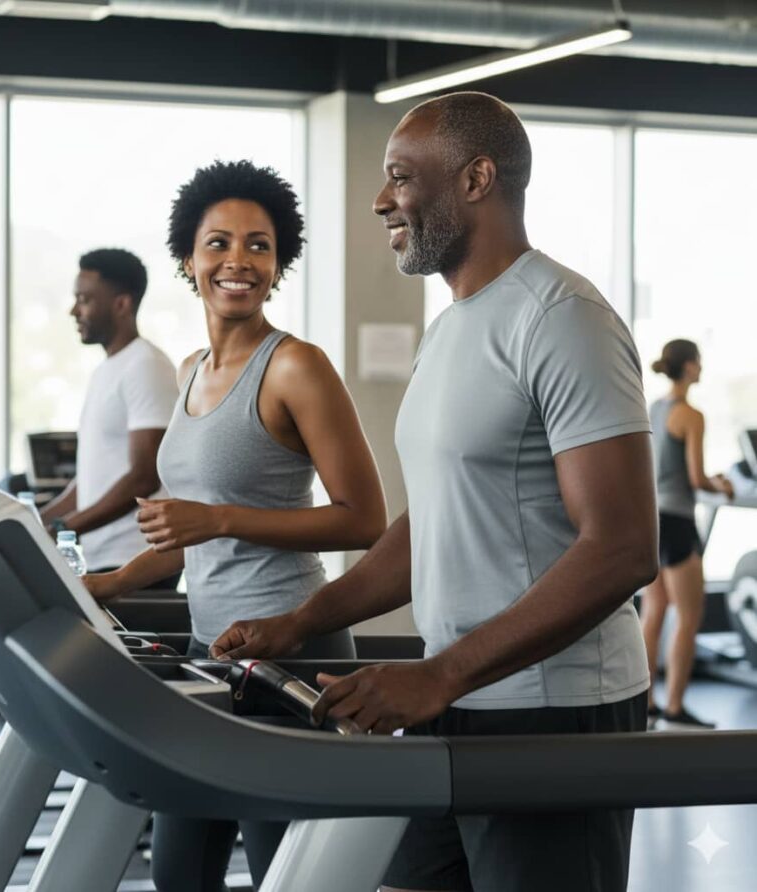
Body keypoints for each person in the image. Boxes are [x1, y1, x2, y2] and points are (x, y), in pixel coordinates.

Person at [211, 93, 658, 892]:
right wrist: (303, 622)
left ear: (477, 178)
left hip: (549, 713)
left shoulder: (563, 318)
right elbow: (438, 521)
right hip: (453, 700)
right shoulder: (454, 325)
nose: (382, 199)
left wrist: (442, 673)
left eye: (401, 178)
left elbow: (623, 547)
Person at [82, 159, 387, 892]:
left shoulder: (296, 368)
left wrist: (217, 516)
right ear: (189, 260)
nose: (238, 261)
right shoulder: (189, 370)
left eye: (259, 246)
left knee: (282, 874)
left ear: (279, 265)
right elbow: (184, 535)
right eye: (219, 243)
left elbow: (366, 517)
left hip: (294, 648)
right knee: (179, 874)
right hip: (208, 653)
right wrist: (112, 581)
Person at [41, 248, 181, 580]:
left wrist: (65, 528)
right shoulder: (108, 370)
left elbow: (145, 476)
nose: (74, 310)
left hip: (135, 562)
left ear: (121, 304)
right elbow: (92, 479)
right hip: (100, 557)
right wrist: (35, 520)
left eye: (85, 300)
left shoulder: (146, 366)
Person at [639, 339, 732, 730]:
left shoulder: (655, 409)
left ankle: (645, 703)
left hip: (651, 519)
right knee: (690, 615)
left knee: (655, 611)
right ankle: (675, 706)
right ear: (691, 367)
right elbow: (695, 479)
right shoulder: (691, 415)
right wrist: (722, 486)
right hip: (677, 521)